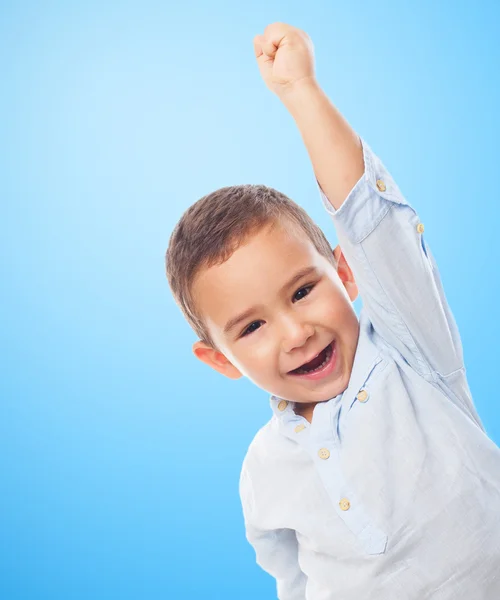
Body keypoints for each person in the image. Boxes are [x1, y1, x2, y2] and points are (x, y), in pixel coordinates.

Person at [165, 22, 500, 599]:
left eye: (302, 291)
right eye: (252, 326)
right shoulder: (262, 471)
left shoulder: (408, 350)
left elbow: (371, 219)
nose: (296, 332)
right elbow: (293, 584)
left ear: (345, 272)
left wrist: (300, 91)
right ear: (219, 359)